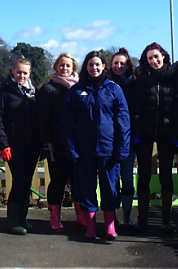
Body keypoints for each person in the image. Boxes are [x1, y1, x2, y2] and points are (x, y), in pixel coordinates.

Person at [61, 51, 130, 240]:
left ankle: (109, 226)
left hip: (109, 150)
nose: (94, 68)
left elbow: (123, 122)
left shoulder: (114, 89)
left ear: (103, 67)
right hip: (84, 151)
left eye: (98, 65)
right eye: (91, 65)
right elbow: (67, 123)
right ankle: (90, 227)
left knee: (110, 187)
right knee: (86, 188)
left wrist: (122, 148)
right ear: (86, 67)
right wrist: (71, 149)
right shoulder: (76, 91)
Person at [131, 42, 178, 234]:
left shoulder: (174, 78)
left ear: (163, 56)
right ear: (146, 61)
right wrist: (137, 133)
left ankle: (166, 220)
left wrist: (177, 136)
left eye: (157, 57)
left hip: (167, 133)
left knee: (166, 175)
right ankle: (143, 219)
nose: (154, 61)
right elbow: (136, 108)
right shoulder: (141, 80)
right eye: (150, 58)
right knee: (144, 176)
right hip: (146, 133)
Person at [0, 57, 40, 235]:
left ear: (29, 73)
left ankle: (22, 218)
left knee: (26, 182)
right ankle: (12, 221)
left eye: (25, 73)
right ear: (12, 71)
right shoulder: (3, 92)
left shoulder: (33, 92)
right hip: (13, 145)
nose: (21, 75)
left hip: (32, 145)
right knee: (19, 182)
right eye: (18, 72)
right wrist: (4, 144)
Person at [36, 53, 81, 232]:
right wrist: (46, 142)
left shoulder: (80, 87)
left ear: (73, 68)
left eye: (68, 66)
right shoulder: (48, 89)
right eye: (61, 65)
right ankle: (54, 218)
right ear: (56, 67)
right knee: (58, 181)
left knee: (78, 181)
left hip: (77, 143)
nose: (64, 68)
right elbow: (42, 119)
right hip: (56, 143)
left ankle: (81, 216)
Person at [108, 47, 137, 228]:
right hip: (109, 139)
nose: (119, 66)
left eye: (122, 63)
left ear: (128, 65)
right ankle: (113, 218)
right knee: (111, 179)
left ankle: (127, 215)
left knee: (127, 177)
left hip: (128, 138)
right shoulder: (106, 84)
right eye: (116, 63)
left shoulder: (135, 84)